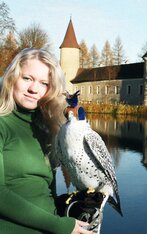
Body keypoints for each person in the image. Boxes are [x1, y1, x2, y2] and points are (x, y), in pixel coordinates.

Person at [0, 48, 92, 234]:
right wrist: (61, 226)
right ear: (12, 78)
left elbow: (44, 190)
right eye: (27, 78)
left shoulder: (46, 129)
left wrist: (73, 203)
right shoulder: (2, 125)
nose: (34, 89)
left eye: (44, 83)